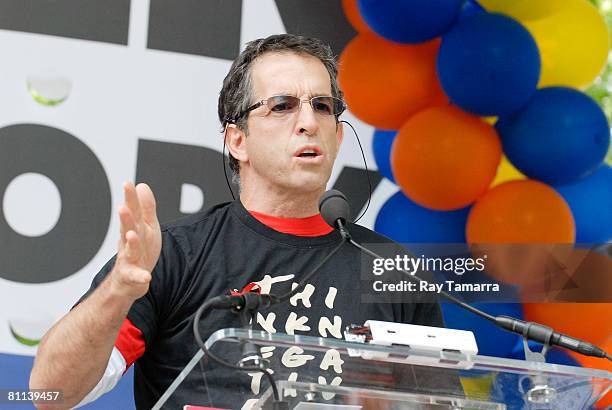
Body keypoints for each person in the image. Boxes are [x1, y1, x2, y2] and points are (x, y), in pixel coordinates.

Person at [30, 34, 444, 410]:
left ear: (338, 137)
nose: (308, 122)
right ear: (237, 140)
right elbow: (51, 393)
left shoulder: (390, 267)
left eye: (323, 106)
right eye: (282, 106)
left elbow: (438, 403)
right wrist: (119, 290)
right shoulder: (174, 255)